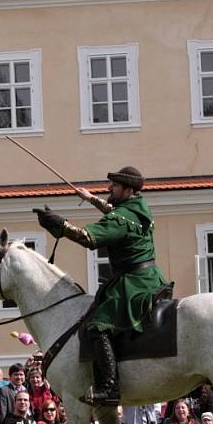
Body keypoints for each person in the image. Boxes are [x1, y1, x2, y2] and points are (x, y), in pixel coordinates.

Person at [35, 166, 168, 405]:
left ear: (128, 190)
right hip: (150, 277)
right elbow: (113, 211)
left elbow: (88, 238)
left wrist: (59, 224)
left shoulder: (122, 218)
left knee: (96, 326)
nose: (109, 189)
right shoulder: (139, 209)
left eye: (115, 186)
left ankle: (108, 386)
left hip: (133, 283)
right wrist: (90, 199)